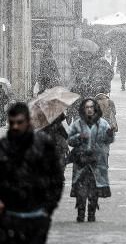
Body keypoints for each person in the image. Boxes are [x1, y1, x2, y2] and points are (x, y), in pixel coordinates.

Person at [0, 103, 64, 244]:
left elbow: (56, 179)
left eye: (19, 122)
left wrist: (48, 208)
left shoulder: (43, 145)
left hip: (37, 215)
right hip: (10, 217)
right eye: (12, 123)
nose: (15, 126)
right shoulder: (4, 147)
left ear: (28, 121)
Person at [68, 98, 115, 222]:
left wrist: (110, 134)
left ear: (95, 109)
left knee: (94, 190)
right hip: (81, 162)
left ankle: (92, 213)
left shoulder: (103, 124)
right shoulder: (77, 124)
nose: (89, 109)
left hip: (97, 162)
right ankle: (81, 212)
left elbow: (108, 141)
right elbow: (70, 141)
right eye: (87, 107)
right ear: (83, 109)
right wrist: (79, 137)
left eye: (91, 107)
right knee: (81, 190)